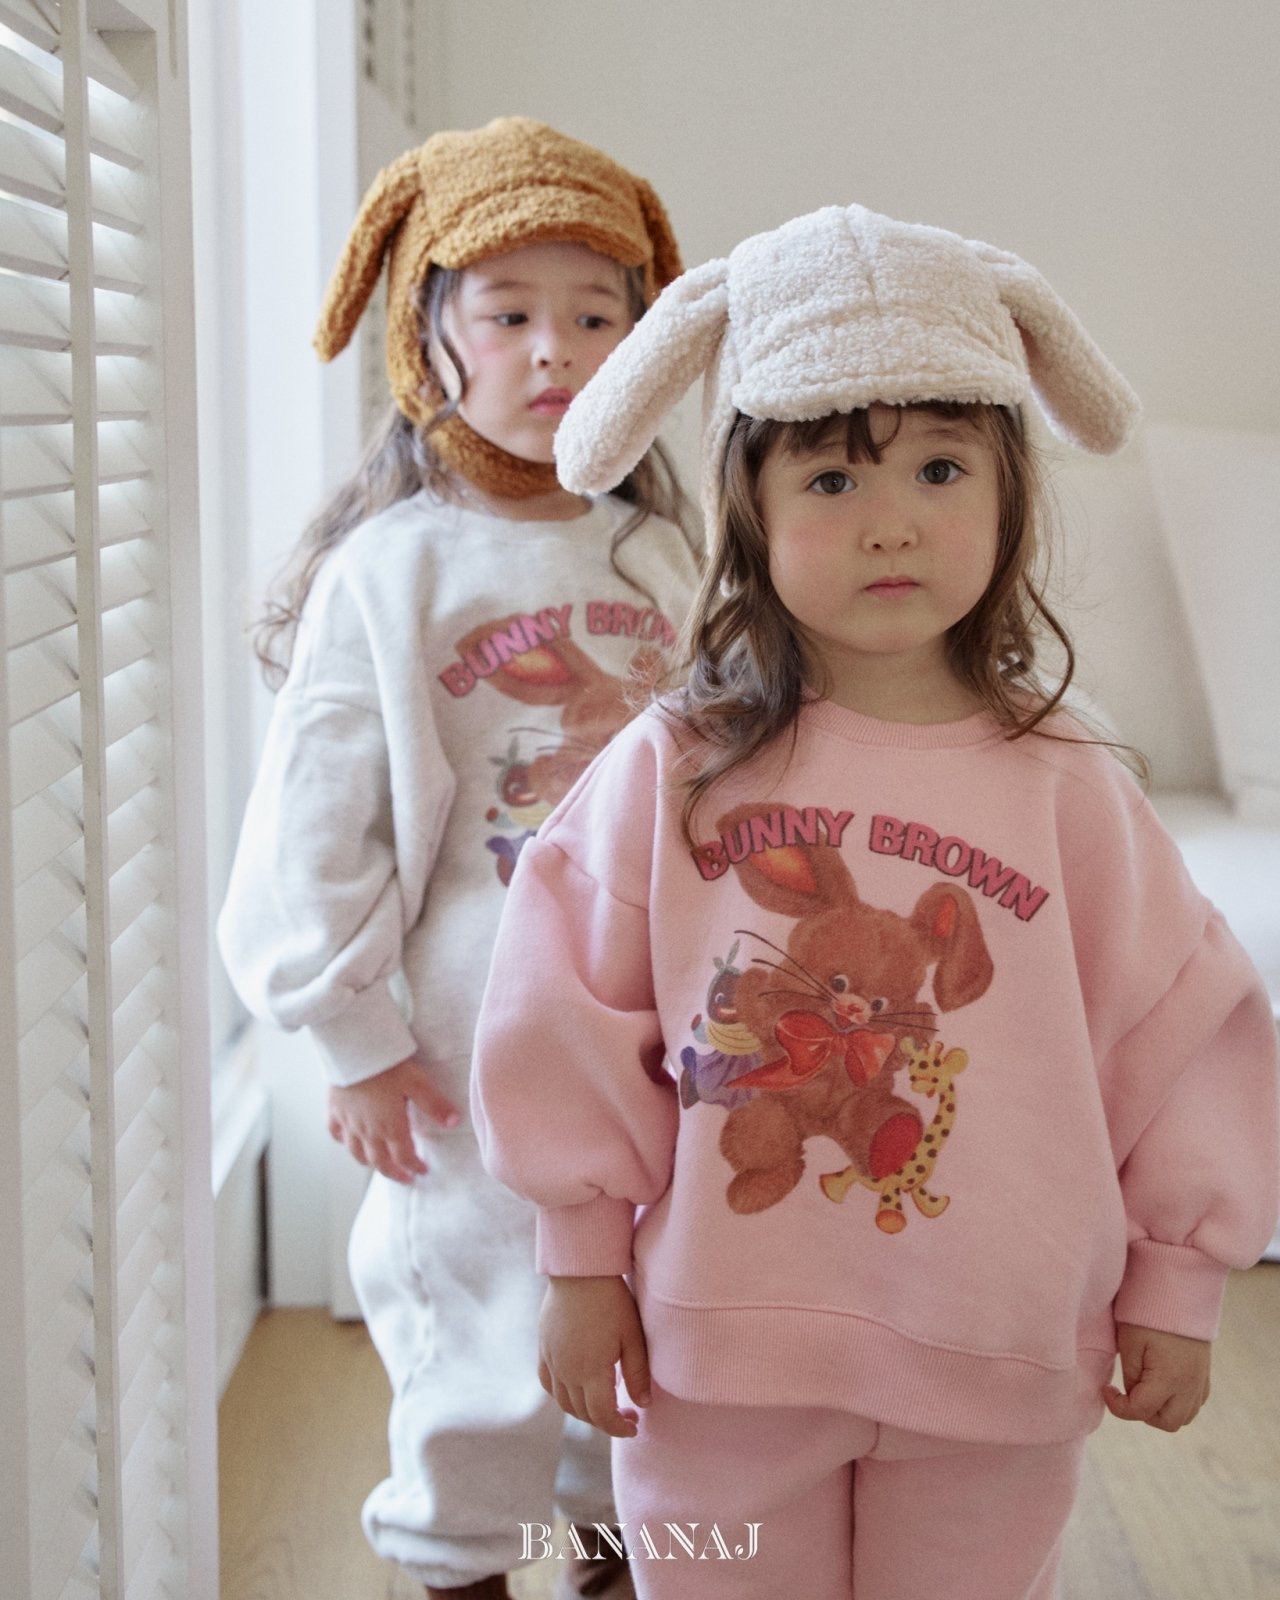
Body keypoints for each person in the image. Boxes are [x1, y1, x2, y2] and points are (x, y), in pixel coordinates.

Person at [470, 204, 1280, 1600]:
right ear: (751, 508)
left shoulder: (1071, 782)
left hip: (997, 1346)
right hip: (722, 1353)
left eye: (940, 468)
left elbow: (1186, 1032)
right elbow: (567, 1011)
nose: (891, 522)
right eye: (833, 478)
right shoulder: (675, 769)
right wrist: (579, 1260)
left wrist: (1179, 1275)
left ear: (1008, 494)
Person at [218, 117, 701, 1600]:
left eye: (596, 316)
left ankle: (614, 1548)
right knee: (480, 1321)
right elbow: (315, 827)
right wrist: (354, 1038)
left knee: (640, 1301)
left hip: (658, 1026)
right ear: (430, 341)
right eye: (508, 315)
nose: (556, 351)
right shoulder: (395, 570)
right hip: (464, 1036)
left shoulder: (660, 555)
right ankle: (459, 1564)